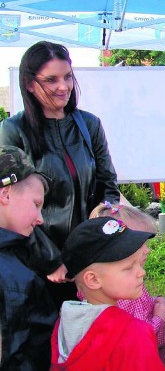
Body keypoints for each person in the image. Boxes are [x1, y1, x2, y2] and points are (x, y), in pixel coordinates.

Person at [0, 41, 120, 308]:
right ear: (30, 84)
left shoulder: (89, 124)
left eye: (67, 77)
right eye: (51, 80)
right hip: (35, 263)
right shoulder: (12, 130)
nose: (63, 86)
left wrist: (105, 223)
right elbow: (8, 207)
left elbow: (108, 184)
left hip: (88, 258)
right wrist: (51, 259)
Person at [50, 216, 164, 370]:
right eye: (129, 267)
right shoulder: (135, 335)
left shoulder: (65, 326)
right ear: (93, 279)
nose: (141, 272)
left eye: (139, 263)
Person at [88, 202, 165, 371]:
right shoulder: (118, 294)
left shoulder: (126, 282)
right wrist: (159, 318)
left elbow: (140, 309)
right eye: (139, 245)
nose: (147, 251)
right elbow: (135, 341)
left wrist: (154, 301)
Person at [0, 145, 57, 370]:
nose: (40, 218)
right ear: (5, 194)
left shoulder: (17, 258)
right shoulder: (10, 278)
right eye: (36, 204)